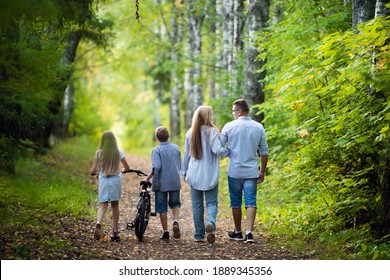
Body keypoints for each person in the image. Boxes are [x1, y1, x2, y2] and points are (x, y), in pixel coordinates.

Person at [220, 99, 269, 244]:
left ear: (240, 111)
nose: (233, 114)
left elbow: (219, 146)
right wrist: (262, 171)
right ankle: (249, 233)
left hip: (234, 171)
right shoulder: (258, 127)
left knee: (235, 202)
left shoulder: (229, 126)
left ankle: (238, 232)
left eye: (234, 111)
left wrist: (228, 152)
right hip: (251, 172)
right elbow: (264, 151)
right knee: (251, 201)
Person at [183, 106, 229, 243]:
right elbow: (217, 150)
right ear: (207, 116)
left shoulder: (190, 132)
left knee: (197, 205)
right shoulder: (212, 131)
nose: (213, 116)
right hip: (209, 174)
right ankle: (210, 223)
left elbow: (186, 155)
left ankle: (199, 234)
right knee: (211, 202)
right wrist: (228, 151)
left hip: (194, 173)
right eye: (212, 114)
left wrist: (184, 171)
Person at [90, 130, 130, 242]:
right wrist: (122, 170)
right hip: (115, 180)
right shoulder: (119, 152)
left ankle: (98, 223)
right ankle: (115, 231)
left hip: (103, 180)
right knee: (115, 205)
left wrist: (96, 172)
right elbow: (127, 167)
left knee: (102, 205)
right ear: (114, 141)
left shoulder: (99, 153)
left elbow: (93, 170)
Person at [144, 126, 182, 240]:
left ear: (157, 138)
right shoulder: (176, 148)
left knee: (162, 207)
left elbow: (157, 167)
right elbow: (179, 165)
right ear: (168, 136)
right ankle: (175, 221)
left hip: (161, 183)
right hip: (175, 181)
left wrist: (147, 178)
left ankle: (165, 232)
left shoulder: (156, 150)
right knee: (175, 203)